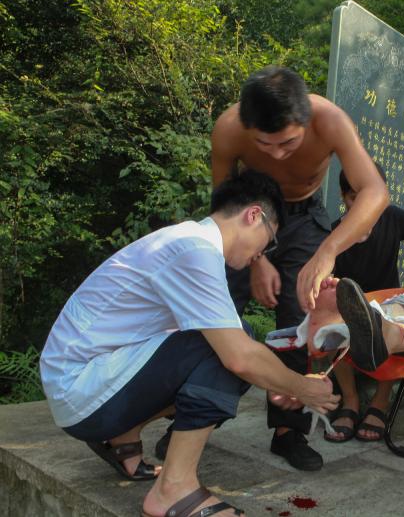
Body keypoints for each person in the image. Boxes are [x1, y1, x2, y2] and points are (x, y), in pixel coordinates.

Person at [39, 170, 340, 517]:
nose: (262, 254)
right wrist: (302, 387)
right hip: (82, 392)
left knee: (232, 341)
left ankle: (122, 435)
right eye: (268, 242)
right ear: (253, 215)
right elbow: (239, 357)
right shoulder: (193, 250)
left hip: (79, 384)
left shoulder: (185, 241)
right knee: (229, 344)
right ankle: (173, 488)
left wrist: (276, 379)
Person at [210, 66, 388, 471]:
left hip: (306, 217)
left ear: (305, 118)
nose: (275, 154)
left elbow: (374, 191)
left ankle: (289, 430)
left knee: (300, 313)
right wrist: (258, 259)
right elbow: (222, 203)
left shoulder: (330, 120)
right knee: (215, 309)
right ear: (246, 126)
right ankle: (191, 418)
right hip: (247, 216)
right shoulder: (228, 128)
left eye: (287, 142)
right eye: (264, 145)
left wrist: (328, 251)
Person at [326, 165, 404, 443]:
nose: (363, 206)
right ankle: (351, 401)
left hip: (389, 305)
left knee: (396, 326)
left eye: (370, 197)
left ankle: (380, 403)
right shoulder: (335, 233)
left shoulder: (392, 217)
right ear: (343, 197)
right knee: (331, 323)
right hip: (350, 307)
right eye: (353, 198)